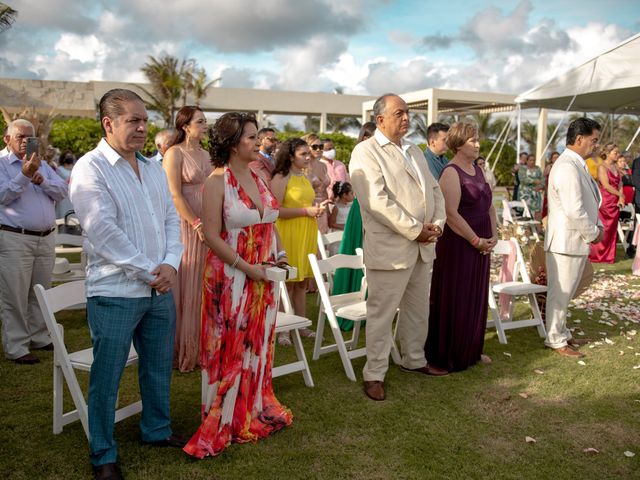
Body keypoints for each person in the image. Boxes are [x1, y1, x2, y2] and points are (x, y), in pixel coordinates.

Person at [69, 89, 185, 480]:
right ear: (108, 123)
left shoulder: (152, 167)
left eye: (144, 120)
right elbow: (102, 231)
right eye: (132, 120)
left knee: (157, 366)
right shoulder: (91, 168)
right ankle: (103, 453)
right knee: (108, 374)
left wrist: (171, 263)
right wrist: (151, 270)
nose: (141, 127)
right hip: (115, 291)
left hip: (158, 288)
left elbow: (171, 219)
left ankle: (156, 430)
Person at [183, 112, 292, 458]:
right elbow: (211, 237)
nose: (257, 142)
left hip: (263, 277)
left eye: (257, 136)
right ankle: (223, 418)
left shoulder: (259, 176)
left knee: (257, 345)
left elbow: (268, 221)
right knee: (229, 348)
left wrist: (279, 254)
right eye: (250, 137)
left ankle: (251, 409)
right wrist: (247, 268)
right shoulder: (217, 181)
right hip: (230, 278)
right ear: (231, 144)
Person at [349, 93, 448, 402]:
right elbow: (377, 201)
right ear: (380, 119)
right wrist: (415, 229)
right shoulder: (366, 151)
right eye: (399, 113)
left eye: (408, 113)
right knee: (382, 313)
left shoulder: (415, 150)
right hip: (392, 247)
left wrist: (438, 223)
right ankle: (375, 373)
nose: (407, 118)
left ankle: (413, 359)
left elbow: (435, 190)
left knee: (418, 310)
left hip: (422, 246)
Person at [425, 122, 497, 372]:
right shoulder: (451, 172)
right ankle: (451, 352)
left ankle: (472, 349)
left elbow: (489, 204)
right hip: (460, 244)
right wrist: (476, 240)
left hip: (482, 242)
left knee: (476, 296)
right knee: (458, 296)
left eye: (477, 139)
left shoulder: (478, 169)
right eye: (472, 140)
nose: (477, 144)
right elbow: (451, 214)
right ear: (458, 144)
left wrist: (494, 235)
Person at [0, 119, 68, 365]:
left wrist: (41, 179)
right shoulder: (2, 164)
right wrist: (24, 176)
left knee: (41, 290)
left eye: (30, 137)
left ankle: (39, 335)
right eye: (20, 136)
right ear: (7, 139)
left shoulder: (43, 165)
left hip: (45, 237)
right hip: (14, 237)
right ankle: (17, 345)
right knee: (14, 293)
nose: (26, 141)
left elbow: (62, 192)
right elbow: (2, 196)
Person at [545, 117, 603, 358]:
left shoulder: (575, 164)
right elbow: (574, 209)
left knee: (565, 293)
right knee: (561, 293)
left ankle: (562, 333)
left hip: (571, 241)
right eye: (594, 140)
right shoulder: (568, 166)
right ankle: (555, 339)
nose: (596, 145)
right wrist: (594, 233)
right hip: (566, 242)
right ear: (579, 139)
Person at [162, 106, 213, 373]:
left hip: (210, 226)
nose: (205, 125)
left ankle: (202, 347)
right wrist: (195, 223)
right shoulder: (174, 153)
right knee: (186, 289)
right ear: (185, 126)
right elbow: (174, 194)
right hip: (186, 227)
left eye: (205, 121)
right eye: (200, 121)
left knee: (204, 289)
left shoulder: (207, 154)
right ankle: (181, 349)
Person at [271, 138, 329, 345]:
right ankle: (283, 330)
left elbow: (306, 203)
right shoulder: (281, 177)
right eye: (303, 154)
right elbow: (274, 211)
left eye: (308, 153)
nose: (308, 157)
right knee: (286, 283)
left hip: (306, 231)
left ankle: (302, 325)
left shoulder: (304, 176)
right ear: (290, 156)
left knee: (302, 282)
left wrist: (316, 208)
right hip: (288, 233)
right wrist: (306, 211)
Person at [332, 122, 375, 331]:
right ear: (366, 138)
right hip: (363, 210)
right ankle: (354, 303)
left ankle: (372, 304)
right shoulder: (360, 156)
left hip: (374, 209)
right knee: (359, 255)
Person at [589, 143, 624, 264]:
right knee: (604, 229)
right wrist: (620, 195)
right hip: (605, 201)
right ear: (608, 154)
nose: (617, 155)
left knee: (612, 229)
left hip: (615, 201)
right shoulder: (601, 167)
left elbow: (620, 183)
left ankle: (609, 256)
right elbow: (606, 185)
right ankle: (596, 255)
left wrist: (621, 198)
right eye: (615, 153)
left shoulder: (616, 167)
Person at [302, 133, 331, 234]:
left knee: (324, 244)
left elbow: (325, 191)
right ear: (306, 148)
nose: (318, 149)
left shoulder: (323, 166)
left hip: (323, 209)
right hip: (310, 209)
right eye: (314, 147)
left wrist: (328, 211)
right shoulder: (302, 166)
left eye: (321, 146)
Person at [518, 154, 545, 220]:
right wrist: (535, 181)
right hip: (525, 193)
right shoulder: (522, 168)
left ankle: (538, 228)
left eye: (534, 160)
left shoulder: (538, 168)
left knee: (538, 210)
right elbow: (523, 179)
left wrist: (540, 186)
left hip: (536, 193)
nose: (532, 162)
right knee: (527, 210)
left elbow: (542, 180)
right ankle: (529, 228)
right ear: (527, 161)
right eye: (530, 160)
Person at [55, 151, 75, 218]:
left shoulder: (76, 169)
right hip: (64, 197)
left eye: (70, 156)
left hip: (74, 196)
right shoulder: (59, 170)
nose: (69, 158)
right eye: (67, 156)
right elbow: (58, 183)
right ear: (63, 159)